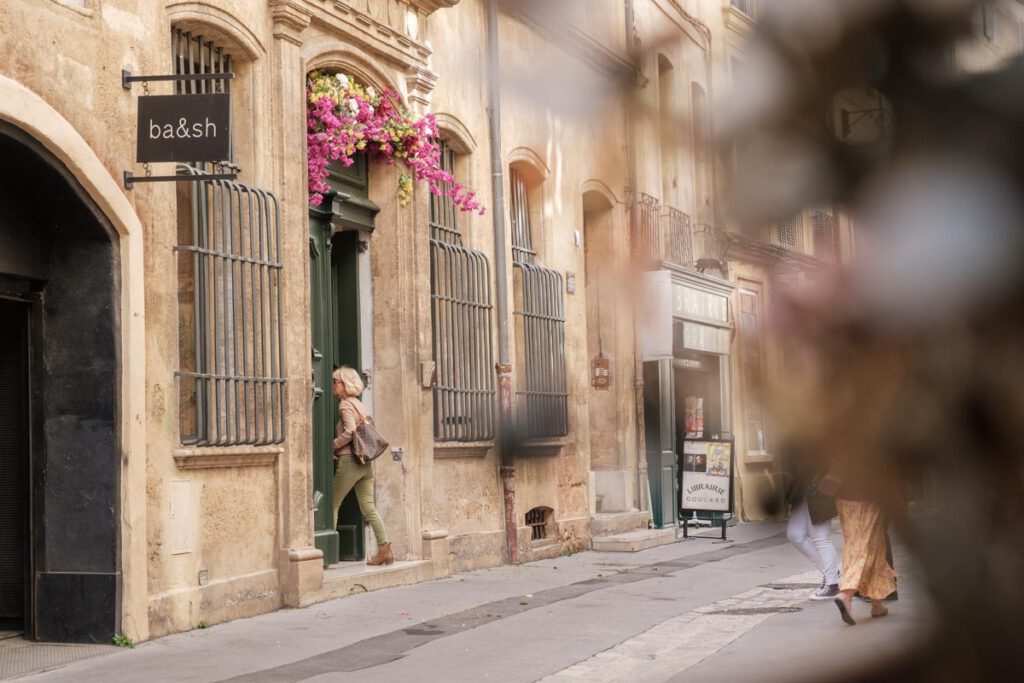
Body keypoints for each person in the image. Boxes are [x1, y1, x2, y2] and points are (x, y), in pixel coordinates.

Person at [331, 366, 393, 566]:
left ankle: (327, 552)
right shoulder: (359, 404)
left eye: (336, 382)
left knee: (332, 505)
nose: (333, 386)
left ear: (345, 384)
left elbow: (349, 432)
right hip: (365, 463)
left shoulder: (345, 406)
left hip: (350, 461)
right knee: (369, 508)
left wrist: (331, 446)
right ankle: (385, 550)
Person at [786, 472, 840, 600]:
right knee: (795, 535)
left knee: (820, 538)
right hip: (803, 491)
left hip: (820, 491)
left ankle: (832, 585)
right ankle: (831, 572)